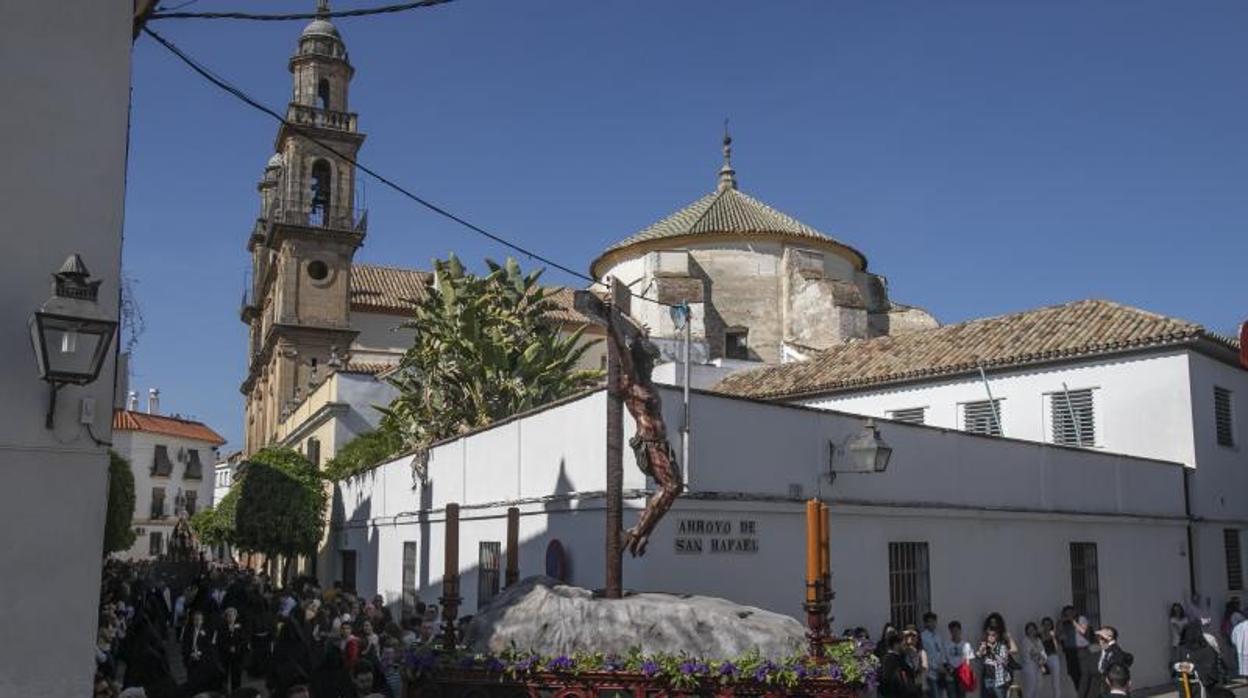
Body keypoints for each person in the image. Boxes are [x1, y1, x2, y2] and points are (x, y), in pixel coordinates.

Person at [214, 607, 248, 693]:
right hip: (225, 656)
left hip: (237, 656)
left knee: (236, 677)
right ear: (226, 617)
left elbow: (243, 640)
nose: (231, 618)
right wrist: (228, 647)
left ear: (236, 617)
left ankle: (236, 693)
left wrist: (237, 648)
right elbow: (219, 642)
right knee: (224, 677)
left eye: (233, 616)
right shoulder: (221, 627)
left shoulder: (240, 627)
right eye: (229, 616)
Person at [881, 632, 921, 698]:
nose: (905, 645)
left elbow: (911, 672)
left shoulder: (900, 657)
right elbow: (887, 679)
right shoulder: (889, 659)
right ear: (896, 644)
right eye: (903, 643)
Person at [978, 627, 1014, 698]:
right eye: (988, 635)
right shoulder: (985, 646)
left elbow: (1004, 662)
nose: (990, 637)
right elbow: (978, 656)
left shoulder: (1002, 647)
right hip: (987, 679)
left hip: (999, 680)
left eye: (993, 635)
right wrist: (982, 649)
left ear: (997, 636)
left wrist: (993, 652)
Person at [923, 612, 951, 698]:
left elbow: (941, 651)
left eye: (934, 621)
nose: (932, 624)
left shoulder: (938, 635)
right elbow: (925, 655)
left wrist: (944, 665)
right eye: (930, 621)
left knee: (941, 694)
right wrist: (935, 667)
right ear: (926, 623)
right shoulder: (923, 637)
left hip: (941, 672)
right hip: (930, 673)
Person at [945, 621, 974, 698]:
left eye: (956, 630)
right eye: (952, 631)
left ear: (960, 631)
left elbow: (969, 661)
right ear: (950, 632)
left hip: (962, 675)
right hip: (950, 675)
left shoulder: (966, 645)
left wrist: (967, 672)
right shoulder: (946, 645)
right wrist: (948, 668)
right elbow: (943, 660)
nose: (955, 633)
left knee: (961, 696)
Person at [1022, 622, 1049, 698]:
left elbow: (1043, 653)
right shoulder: (1025, 641)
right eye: (1029, 629)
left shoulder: (1038, 640)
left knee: (1039, 687)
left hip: (1039, 667)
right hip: (1029, 666)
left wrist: (1042, 661)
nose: (1031, 631)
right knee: (1031, 688)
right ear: (1026, 631)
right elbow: (1032, 654)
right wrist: (1040, 660)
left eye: (1033, 629)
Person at [1041, 618, 1063, 698]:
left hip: (1053, 657)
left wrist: (1053, 637)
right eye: (1045, 624)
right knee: (1042, 681)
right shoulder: (1040, 635)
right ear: (1042, 625)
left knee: (1056, 682)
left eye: (1048, 624)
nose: (1047, 626)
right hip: (1043, 658)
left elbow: (1058, 649)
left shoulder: (1054, 635)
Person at [1170, 604, 1188, 674]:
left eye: (1178, 609)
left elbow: (1186, 629)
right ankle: (1176, 674)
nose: (1177, 611)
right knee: (1176, 659)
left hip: (1184, 641)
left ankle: (1184, 675)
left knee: (1184, 659)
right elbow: (1178, 630)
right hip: (1176, 642)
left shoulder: (1185, 619)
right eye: (1175, 610)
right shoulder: (1173, 619)